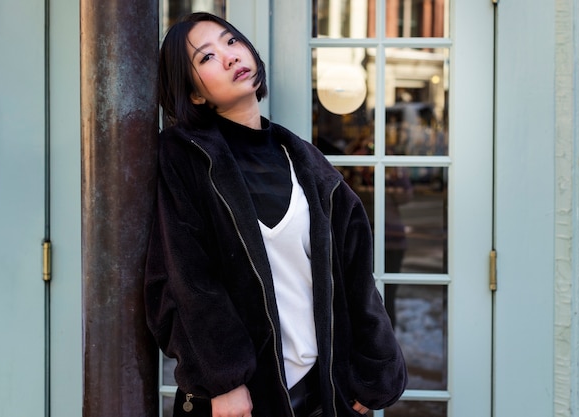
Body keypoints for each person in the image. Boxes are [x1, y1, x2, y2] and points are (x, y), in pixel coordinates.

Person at [144, 12, 407, 417]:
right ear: (195, 94)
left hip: (321, 394)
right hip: (239, 401)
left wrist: (371, 377)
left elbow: (356, 278)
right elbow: (184, 279)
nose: (230, 56)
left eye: (231, 41)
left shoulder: (306, 162)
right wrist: (224, 380)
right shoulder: (185, 158)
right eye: (207, 57)